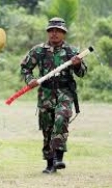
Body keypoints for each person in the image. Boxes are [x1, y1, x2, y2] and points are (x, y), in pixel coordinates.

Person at [20, 17, 87, 174]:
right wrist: (30, 80)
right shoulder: (39, 51)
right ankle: (50, 164)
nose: (54, 34)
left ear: (64, 33)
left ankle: (58, 157)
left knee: (61, 119)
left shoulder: (72, 52)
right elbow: (25, 68)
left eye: (58, 31)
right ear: (48, 32)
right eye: (51, 30)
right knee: (47, 128)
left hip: (65, 93)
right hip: (46, 93)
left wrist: (77, 64)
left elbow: (82, 72)